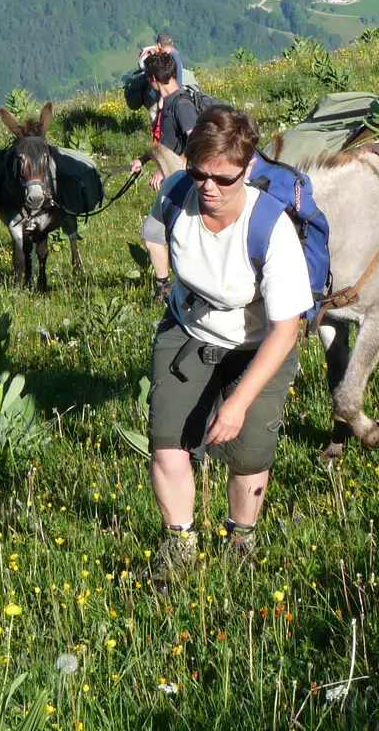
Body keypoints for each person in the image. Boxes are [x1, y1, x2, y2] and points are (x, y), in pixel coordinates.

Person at [139, 106, 312, 584]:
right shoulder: (177, 194)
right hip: (188, 330)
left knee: (248, 455)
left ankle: (241, 540)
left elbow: (285, 331)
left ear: (248, 168)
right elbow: (155, 234)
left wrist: (236, 405)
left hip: (258, 346)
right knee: (167, 446)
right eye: (199, 173)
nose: (208, 187)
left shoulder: (270, 228)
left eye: (223, 178)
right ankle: (180, 545)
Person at [130, 52, 196, 190]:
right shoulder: (167, 101)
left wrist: (166, 169)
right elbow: (167, 144)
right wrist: (141, 160)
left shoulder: (181, 104)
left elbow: (196, 141)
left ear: (153, 78)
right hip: (174, 179)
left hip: (186, 181)